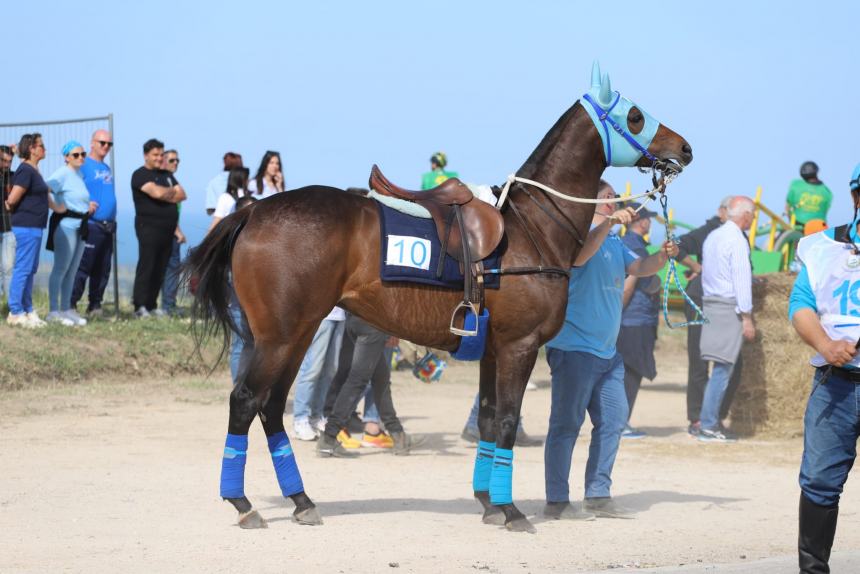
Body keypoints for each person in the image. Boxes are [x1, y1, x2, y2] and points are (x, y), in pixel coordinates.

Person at [543, 181, 677, 521]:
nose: (614, 202)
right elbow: (580, 256)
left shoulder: (615, 241)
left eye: (614, 198)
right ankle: (557, 500)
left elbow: (640, 268)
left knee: (613, 422)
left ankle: (598, 494)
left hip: (607, 354)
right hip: (573, 350)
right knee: (566, 426)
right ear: (592, 201)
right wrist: (609, 222)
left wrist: (662, 256)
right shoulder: (577, 234)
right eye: (607, 198)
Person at [790, 164, 860, 573]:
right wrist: (824, 344)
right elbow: (800, 305)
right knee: (818, 483)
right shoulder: (820, 248)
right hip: (834, 385)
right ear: (855, 197)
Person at [675, 196, 743, 435]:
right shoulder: (710, 230)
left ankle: (713, 416)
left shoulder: (737, 234)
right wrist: (697, 268)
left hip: (725, 303)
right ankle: (697, 418)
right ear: (722, 211)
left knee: (732, 361)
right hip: (701, 299)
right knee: (700, 360)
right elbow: (676, 246)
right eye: (730, 210)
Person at [317, 313, 421, 457]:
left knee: (381, 380)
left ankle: (398, 435)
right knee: (357, 381)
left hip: (355, 319)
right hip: (373, 322)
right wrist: (393, 329)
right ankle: (328, 438)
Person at [696, 196, 756, 443]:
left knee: (717, 367)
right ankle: (709, 425)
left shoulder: (714, 236)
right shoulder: (737, 240)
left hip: (710, 303)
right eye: (752, 214)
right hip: (729, 306)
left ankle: (708, 422)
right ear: (745, 215)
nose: (753, 219)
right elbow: (741, 280)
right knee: (723, 369)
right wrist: (747, 317)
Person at [616, 202, 661, 439]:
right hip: (635, 319)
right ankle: (621, 423)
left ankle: (618, 421)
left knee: (624, 371)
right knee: (631, 372)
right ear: (641, 221)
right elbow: (631, 284)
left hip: (627, 319)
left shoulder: (622, 243)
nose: (650, 222)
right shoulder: (637, 248)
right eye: (649, 219)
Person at [130, 139, 186, 319]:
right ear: (146, 155)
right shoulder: (140, 175)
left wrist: (164, 194)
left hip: (167, 230)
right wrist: (168, 193)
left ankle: (151, 305)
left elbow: (182, 194)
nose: (159, 158)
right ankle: (140, 306)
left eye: (161, 154)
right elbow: (157, 193)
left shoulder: (166, 175)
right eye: (155, 155)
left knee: (160, 267)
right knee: (147, 266)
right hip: (148, 228)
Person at [45, 141, 97, 327]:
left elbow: (76, 198)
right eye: (76, 155)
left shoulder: (79, 174)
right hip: (66, 226)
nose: (81, 157)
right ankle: (53, 311)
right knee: (61, 268)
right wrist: (56, 207)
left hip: (81, 226)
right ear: (67, 157)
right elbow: (45, 189)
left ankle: (66, 309)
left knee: (73, 270)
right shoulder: (62, 173)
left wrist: (86, 207)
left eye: (83, 154)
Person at [208, 167, 252, 381]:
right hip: (235, 298)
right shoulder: (232, 238)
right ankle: (238, 385)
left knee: (249, 343)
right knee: (240, 343)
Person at [5, 134, 52, 328]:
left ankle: (28, 309)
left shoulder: (34, 170)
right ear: (32, 149)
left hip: (35, 227)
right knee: (23, 269)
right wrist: (8, 204)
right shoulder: (26, 170)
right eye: (41, 145)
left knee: (30, 269)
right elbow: (13, 198)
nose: (45, 149)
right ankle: (15, 312)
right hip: (26, 227)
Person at [71, 129, 116, 319]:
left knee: (103, 268)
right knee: (83, 267)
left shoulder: (106, 168)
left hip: (108, 225)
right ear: (92, 143)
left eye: (109, 144)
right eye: (102, 143)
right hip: (91, 224)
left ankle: (95, 305)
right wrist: (83, 204)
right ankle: (70, 305)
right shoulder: (83, 165)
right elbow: (69, 189)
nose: (105, 147)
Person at [291, 307, 346, 441]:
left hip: (340, 316)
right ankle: (300, 419)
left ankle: (316, 416)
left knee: (330, 369)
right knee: (312, 369)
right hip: (320, 315)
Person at [159, 149, 186, 316]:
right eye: (172, 160)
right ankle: (168, 306)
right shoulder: (163, 182)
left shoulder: (171, 181)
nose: (175, 163)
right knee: (170, 268)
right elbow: (165, 209)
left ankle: (168, 305)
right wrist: (177, 231)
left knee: (171, 269)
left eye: (177, 160)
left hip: (171, 229)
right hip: (167, 232)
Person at [786, 161, 833, 229]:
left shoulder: (795, 185)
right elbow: (825, 211)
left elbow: (787, 207)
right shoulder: (827, 192)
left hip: (796, 226)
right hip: (817, 230)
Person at [0, 144, 16, 305]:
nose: (6, 164)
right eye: (3, 160)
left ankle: (9, 306)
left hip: (9, 228)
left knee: (8, 269)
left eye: (9, 161)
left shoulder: (14, 177)